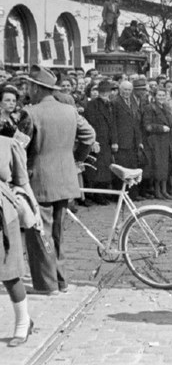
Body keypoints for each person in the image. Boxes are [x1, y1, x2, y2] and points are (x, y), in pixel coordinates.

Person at [18, 65, 96, 294]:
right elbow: (89, 136)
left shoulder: (30, 113)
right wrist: (76, 159)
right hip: (66, 178)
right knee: (58, 233)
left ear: (37, 88)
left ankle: (46, 284)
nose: (28, 90)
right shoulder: (69, 111)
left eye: (29, 86)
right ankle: (61, 281)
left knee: (38, 232)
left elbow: (19, 147)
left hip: (39, 180)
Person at [0, 135, 39, 346]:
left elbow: (22, 180)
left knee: (9, 273)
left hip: (4, 217)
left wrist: (34, 211)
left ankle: (23, 322)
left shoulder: (8, 144)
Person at [83, 80, 117, 205]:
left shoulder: (110, 104)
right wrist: (93, 141)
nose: (104, 93)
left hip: (107, 141)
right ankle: (97, 195)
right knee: (97, 170)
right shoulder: (92, 105)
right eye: (102, 91)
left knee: (105, 169)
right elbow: (90, 124)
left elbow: (113, 125)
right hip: (98, 140)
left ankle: (103, 193)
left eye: (107, 91)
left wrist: (114, 141)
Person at [112, 80, 144, 199]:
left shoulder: (134, 101)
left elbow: (137, 122)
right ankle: (121, 195)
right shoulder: (115, 102)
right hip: (121, 141)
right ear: (120, 90)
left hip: (133, 141)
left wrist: (139, 141)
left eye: (129, 90)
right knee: (122, 169)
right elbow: (113, 123)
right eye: (125, 90)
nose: (127, 92)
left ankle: (133, 194)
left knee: (133, 167)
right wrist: (114, 141)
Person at [142, 88, 172, 200]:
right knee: (157, 167)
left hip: (166, 140)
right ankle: (157, 191)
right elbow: (147, 126)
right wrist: (161, 128)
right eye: (159, 95)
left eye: (163, 95)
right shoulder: (150, 108)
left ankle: (164, 190)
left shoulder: (166, 108)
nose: (161, 97)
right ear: (155, 96)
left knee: (165, 166)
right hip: (156, 141)